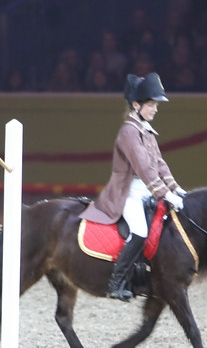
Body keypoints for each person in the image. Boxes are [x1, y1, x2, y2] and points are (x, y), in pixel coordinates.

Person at [80, 73, 186, 301]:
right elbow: (144, 168)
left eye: (156, 105)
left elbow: (159, 163)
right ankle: (117, 281)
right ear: (136, 105)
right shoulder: (129, 132)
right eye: (151, 105)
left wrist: (175, 188)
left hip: (146, 192)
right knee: (140, 231)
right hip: (127, 193)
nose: (155, 109)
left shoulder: (146, 130)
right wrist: (164, 193)